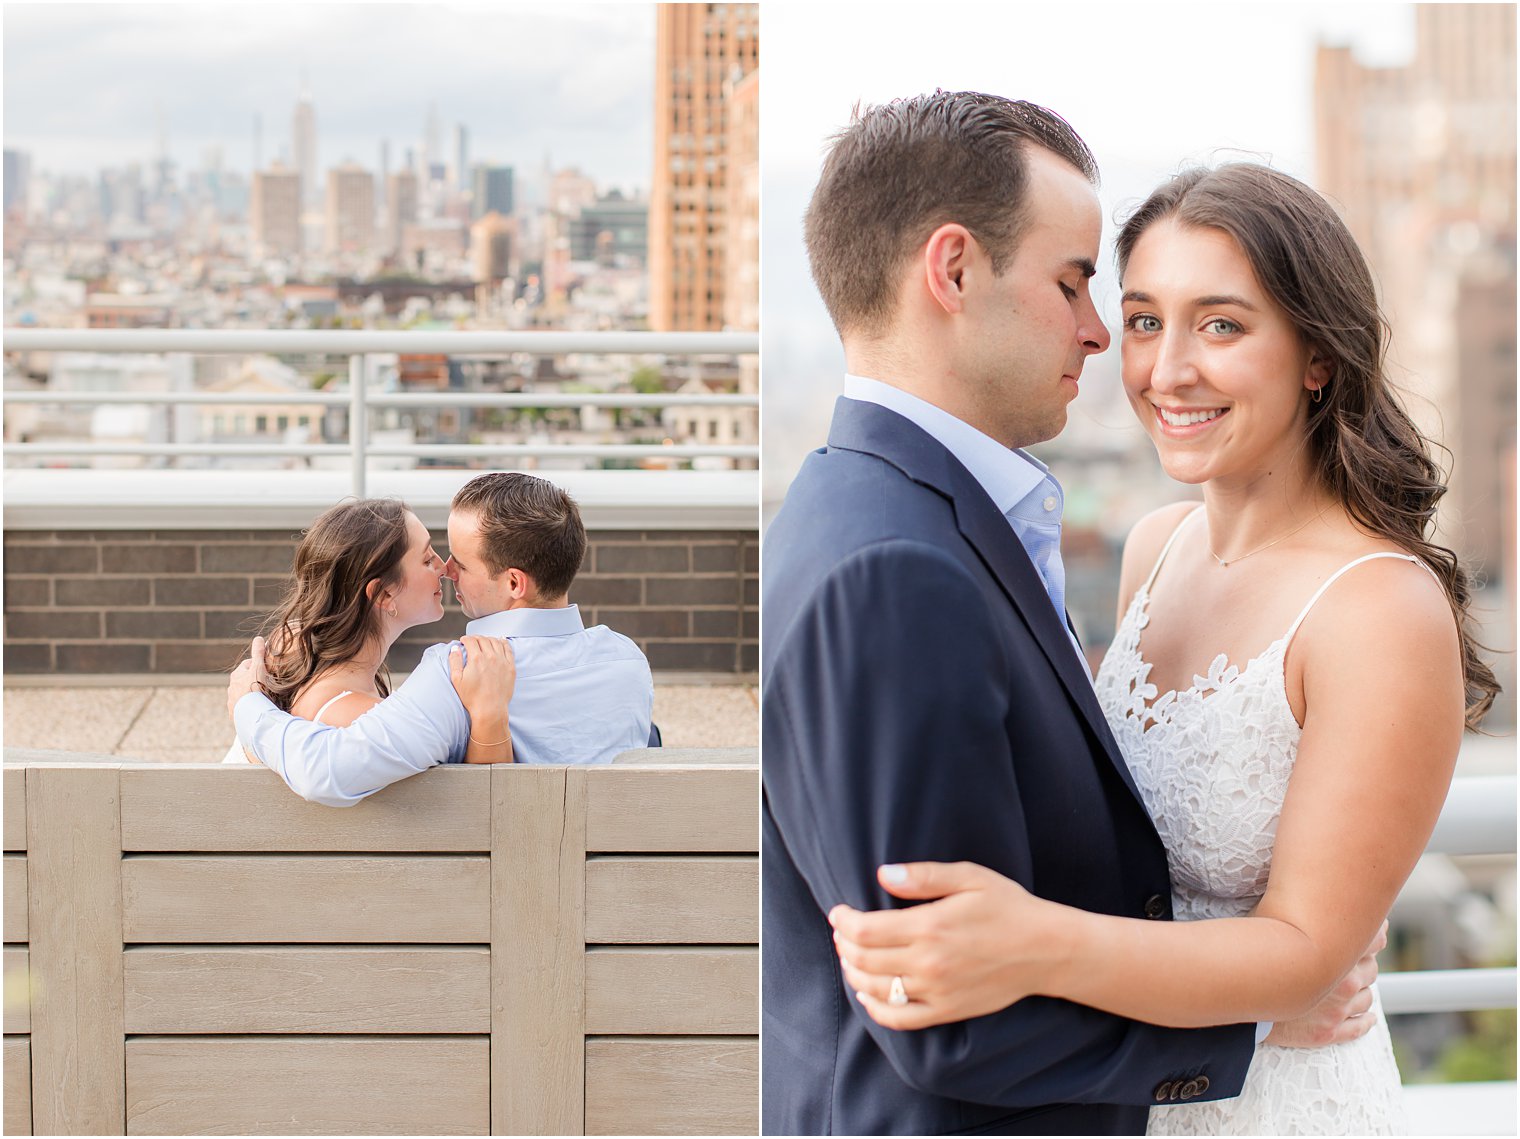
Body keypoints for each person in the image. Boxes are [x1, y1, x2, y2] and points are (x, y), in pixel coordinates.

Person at [828, 164, 1500, 1134]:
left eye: (1219, 324)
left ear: (1316, 355)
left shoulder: (1376, 608)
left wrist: (1030, 944)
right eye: (1142, 320)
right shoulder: (1153, 546)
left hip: (1279, 1100)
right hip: (1130, 1088)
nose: (1164, 369)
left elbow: (1305, 949)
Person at [228, 472, 654, 806]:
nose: (447, 570)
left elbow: (327, 773)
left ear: (513, 583)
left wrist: (249, 707)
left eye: (461, 563)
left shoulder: (457, 675)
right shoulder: (628, 662)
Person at [221, 497, 515, 764]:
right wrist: (489, 711)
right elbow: (479, 798)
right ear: (383, 594)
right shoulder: (354, 718)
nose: (444, 568)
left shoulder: (296, 648)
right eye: (427, 559)